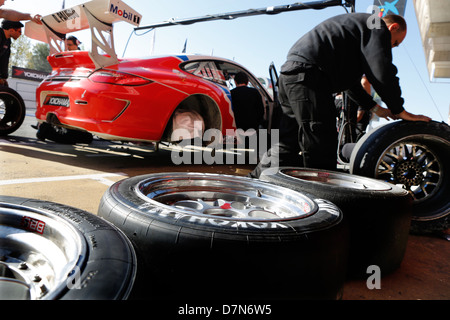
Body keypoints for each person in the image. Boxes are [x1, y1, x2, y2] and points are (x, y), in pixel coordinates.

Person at [249, 13, 431, 178]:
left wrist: (375, 108)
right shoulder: (376, 25)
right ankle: (321, 203)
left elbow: (350, 83)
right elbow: (382, 70)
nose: (392, 47)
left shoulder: (355, 33)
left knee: (288, 141)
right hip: (309, 76)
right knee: (321, 142)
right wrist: (399, 109)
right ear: (393, 28)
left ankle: (254, 182)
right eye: (395, 43)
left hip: (291, 76)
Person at [0, 20, 24, 86]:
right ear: (11, 30)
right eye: (19, 31)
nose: (21, 34)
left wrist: (4, 77)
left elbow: (5, 59)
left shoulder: (7, 41)